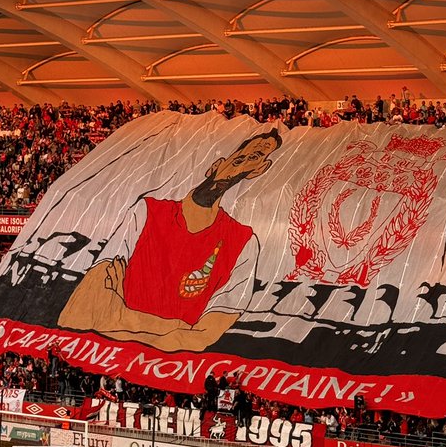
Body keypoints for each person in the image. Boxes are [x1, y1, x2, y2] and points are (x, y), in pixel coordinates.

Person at [58, 129, 281, 352]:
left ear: (258, 170)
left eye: (254, 159)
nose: (238, 168)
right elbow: (76, 315)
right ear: (215, 166)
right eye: (238, 160)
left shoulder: (244, 242)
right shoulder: (145, 212)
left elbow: (202, 338)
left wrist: (120, 316)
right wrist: (175, 327)